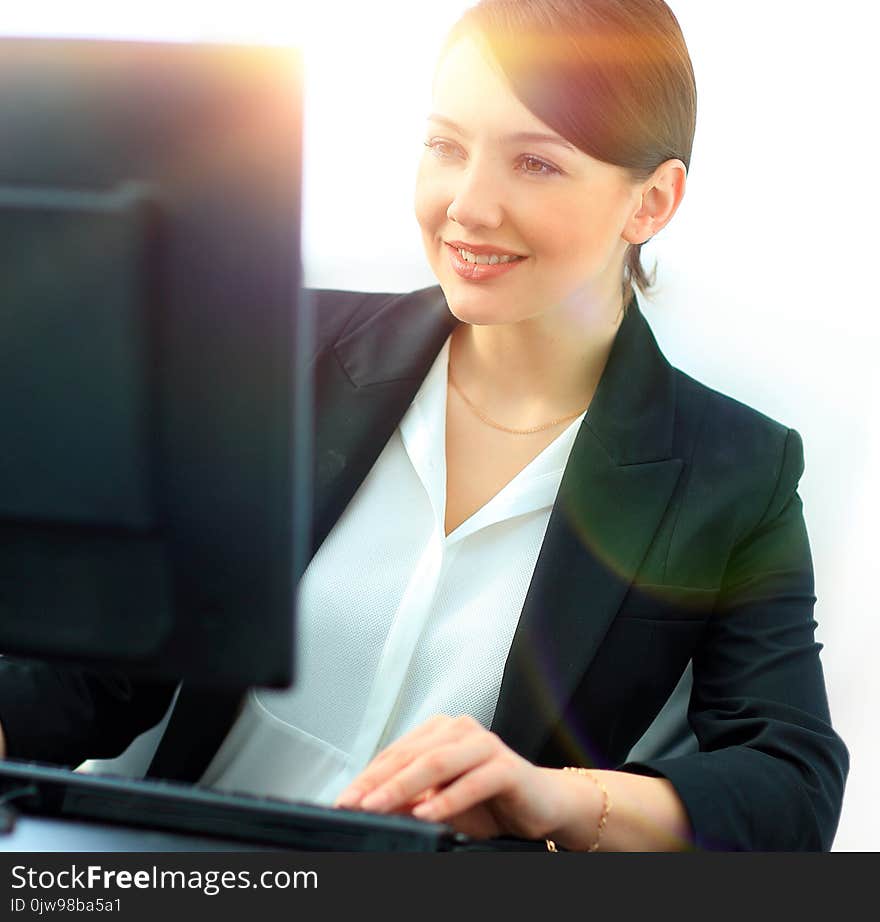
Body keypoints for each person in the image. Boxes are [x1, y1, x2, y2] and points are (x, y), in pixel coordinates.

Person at [0, 0, 848, 851]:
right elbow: (97, 673)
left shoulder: (732, 472)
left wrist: (557, 797)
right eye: (446, 146)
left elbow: (792, 783)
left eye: (537, 163)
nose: (468, 207)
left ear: (652, 202)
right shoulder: (274, 351)